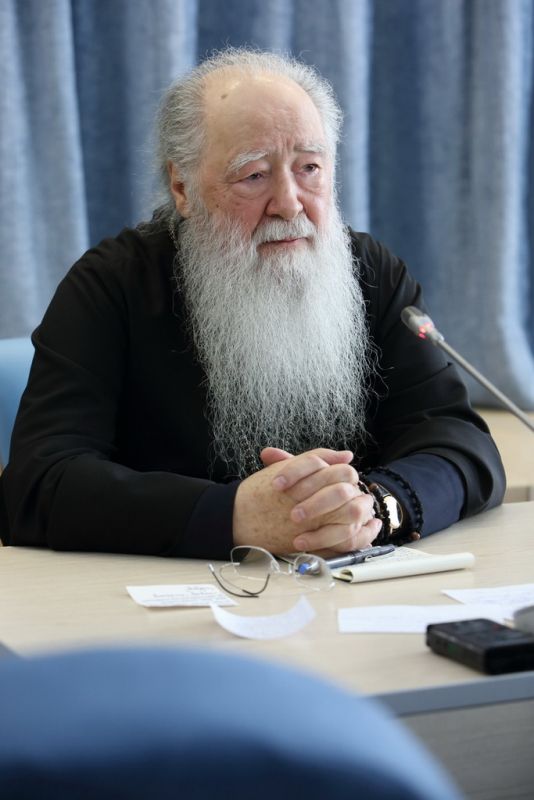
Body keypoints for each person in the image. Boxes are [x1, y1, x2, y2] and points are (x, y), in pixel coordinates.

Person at [0, 48, 505, 559]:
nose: (289, 203)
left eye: (309, 168)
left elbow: (461, 445)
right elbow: (38, 486)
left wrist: (377, 507)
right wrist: (234, 516)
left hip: (347, 587)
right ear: (182, 187)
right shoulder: (111, 286)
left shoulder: (372, 274)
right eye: (254, 175)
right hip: (165, 594)